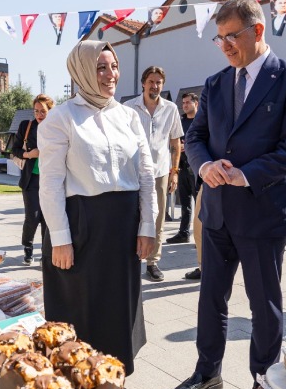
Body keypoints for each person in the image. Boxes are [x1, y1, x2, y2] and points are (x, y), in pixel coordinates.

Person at [171, 0, 286, 389]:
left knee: (263, 304)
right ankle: (207, 370)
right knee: (211, 296)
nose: (225, 45)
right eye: (219, 39)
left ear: (258, 30)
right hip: (216, 211)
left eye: (231, 36)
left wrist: (244, 172)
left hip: (262, 213)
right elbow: (194, 138)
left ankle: (263, 383)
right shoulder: (216, 83)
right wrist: (205, 165)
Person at [39, 40, 156, 372]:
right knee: (82, 309)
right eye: (101, 67)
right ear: (81, 72)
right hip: (81, 226)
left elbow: (146, 175)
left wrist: (147, 226)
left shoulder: (130, 117)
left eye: (114, 66)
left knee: (119, 309)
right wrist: (60, 238)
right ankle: (79, 378)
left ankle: (114, 378)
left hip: (123, 227)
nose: (110, 75)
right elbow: (49, 183)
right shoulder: (61, 119)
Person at [125, 66, 184, 282]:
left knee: (157, 218)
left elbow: (176, 143)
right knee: (132, 216)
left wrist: (175, 171)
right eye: (151, 81)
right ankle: (131, 259)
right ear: (143, 83)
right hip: (132, 172)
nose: (155, 86)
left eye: (159, 82)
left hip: (160, 172)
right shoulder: (129, 108)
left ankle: (152, 262)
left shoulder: (171, 109)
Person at [16, 95, 54, 265]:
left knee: (48, 218)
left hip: (51, 180)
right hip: (31, 180)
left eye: (43, 111)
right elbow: (15, 149)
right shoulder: (27, 125)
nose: (39, 114)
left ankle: (45, 254)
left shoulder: (56, 127)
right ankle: (28, 247)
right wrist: (29, 154)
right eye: (36, 111)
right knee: (33, 216)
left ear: (50, 111)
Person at [167, 91, 199, 246]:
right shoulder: (180, 121)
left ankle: (201, 235)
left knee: (200, 204)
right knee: (185, 203)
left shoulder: (202, 121)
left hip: (197, 169)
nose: (185, 105)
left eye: (188, 102)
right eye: (183, 103)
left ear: (196, 103)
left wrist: (189, 146)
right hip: (182, 168)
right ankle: (183, 233)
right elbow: (172, 140)